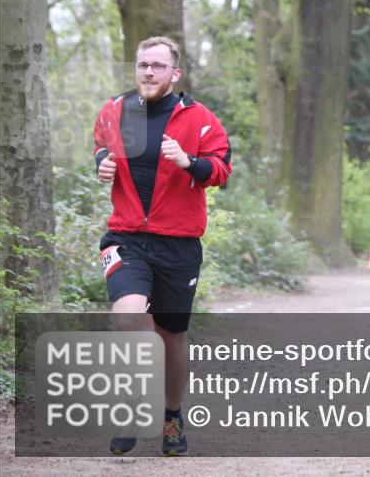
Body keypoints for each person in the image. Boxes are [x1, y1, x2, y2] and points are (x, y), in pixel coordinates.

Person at [93, 36, 232, 456]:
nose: (148, 72)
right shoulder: (116, 111)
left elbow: (221, 169)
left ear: (175, 73)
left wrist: (188, 160)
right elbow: (101, 148)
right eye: (142, 65)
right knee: (128, 318)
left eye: (157, 65)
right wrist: (101, 162)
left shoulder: (200, 119)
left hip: (179, 245)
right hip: (126, 236)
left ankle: (172, 415)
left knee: (172, 336)